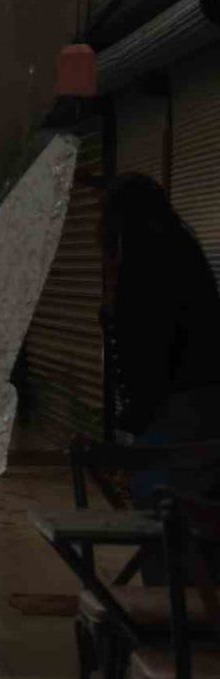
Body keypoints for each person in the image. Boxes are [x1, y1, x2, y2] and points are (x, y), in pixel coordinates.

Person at [103, 173, 220, 507]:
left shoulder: (141, 256)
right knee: (191, 512)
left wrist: (135, 423)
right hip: (206, 400)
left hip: (178, 407)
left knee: (164, 510)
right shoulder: (182, 246)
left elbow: (146, 351)